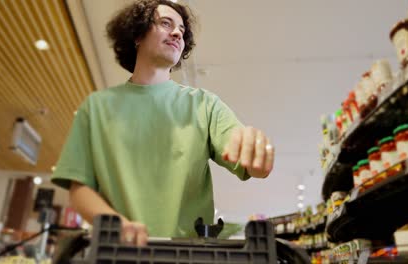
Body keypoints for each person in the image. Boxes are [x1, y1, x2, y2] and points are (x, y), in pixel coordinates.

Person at [51, 0, 274, 247]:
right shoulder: (97, 107)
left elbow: (254, 165)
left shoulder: (204, 105)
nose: (178, 32)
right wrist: (116, 224)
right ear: (137, 35)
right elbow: (79, 187)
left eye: (182, 30)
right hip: (117, 251)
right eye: (166, 24)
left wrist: (255, 151)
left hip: (187, 254)